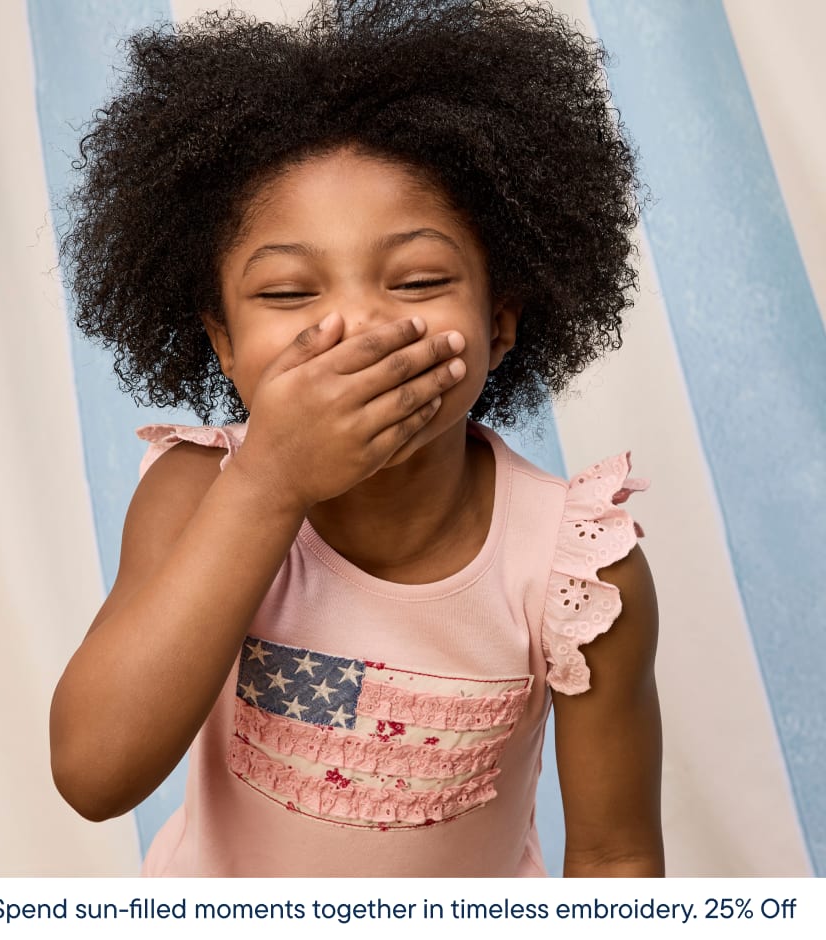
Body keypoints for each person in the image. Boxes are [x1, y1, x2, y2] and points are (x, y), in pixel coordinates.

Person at [50, 0, 663, 877]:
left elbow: (616, 857)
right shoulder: (197, 490)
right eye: (289, 293)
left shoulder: (578, 569)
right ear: (222, 343)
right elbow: (93, 772)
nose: (356, 325)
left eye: (415, 278)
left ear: (499, 320)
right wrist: (269, 482)